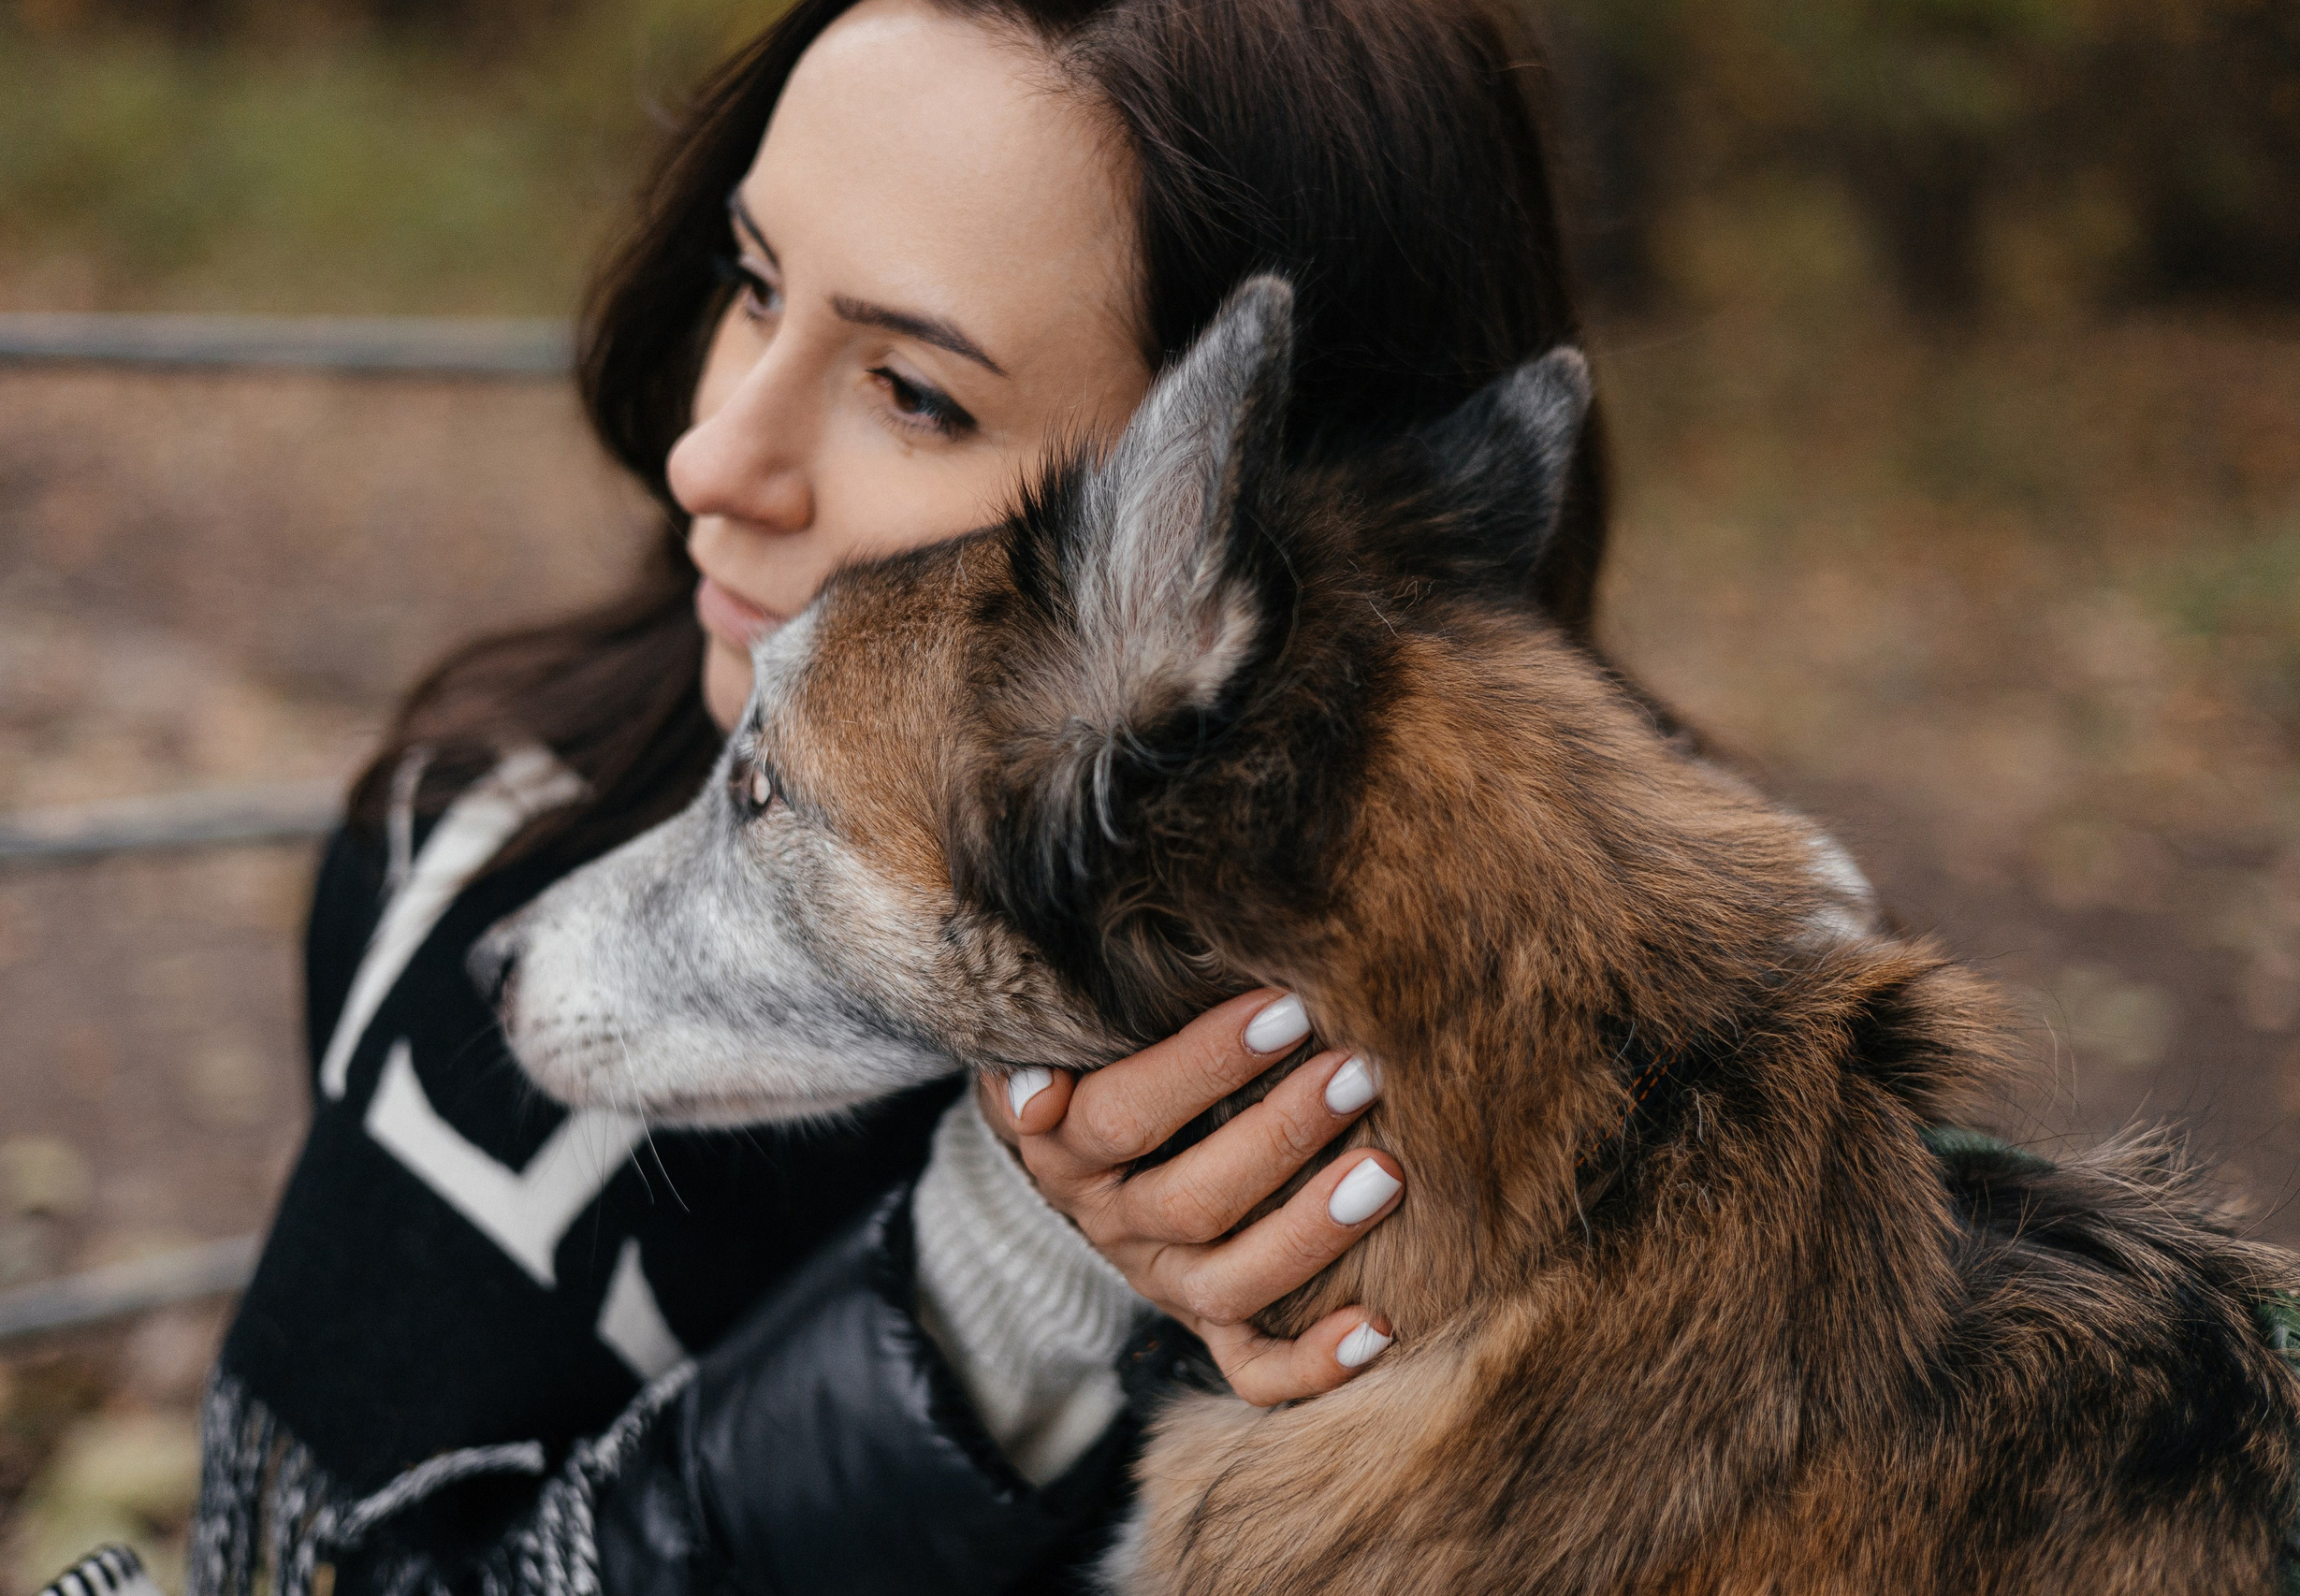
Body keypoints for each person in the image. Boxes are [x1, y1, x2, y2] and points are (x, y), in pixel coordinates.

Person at [185, 0, 1611, 1591]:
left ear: (1241, 559)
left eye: (914, 392)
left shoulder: (1651, 1142)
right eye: (752, 283)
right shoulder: (484, 850)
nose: (712, 458)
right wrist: (989, 1293)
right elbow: (278, 1568)